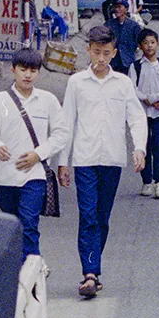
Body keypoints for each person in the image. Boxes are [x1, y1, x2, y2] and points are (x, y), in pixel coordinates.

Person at [57, 25, 147, 299]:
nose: (101, 58)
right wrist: (63, 161)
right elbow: (67, 123)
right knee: (88, 215)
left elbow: (136, 116)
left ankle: (94, 268)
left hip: (112, 158)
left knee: (102, 217)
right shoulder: (76, 83)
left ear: (114, 53)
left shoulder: (122, 83)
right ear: (88, 51)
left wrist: (139, 148)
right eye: (96, 52)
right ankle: (90, 273)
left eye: (106, 53)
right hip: (84, 159)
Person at [0, 48, 71, 258]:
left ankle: (32, 270)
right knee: (12, 226)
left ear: (38, 72)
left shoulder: (47, 100)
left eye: (33, 70)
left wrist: (38, 154)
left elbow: (61, 132)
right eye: (23, 70)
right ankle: (14, 271)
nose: (28, 75)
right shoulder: (0, 100)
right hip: (5, 176)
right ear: (13, 70)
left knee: (29, 223)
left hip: (34, 175)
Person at [129, 28, 159, 199]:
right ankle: (146, 181)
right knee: (145, 145)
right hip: (142, 112)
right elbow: (132, 88)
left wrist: (158, 100)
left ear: (158, 44)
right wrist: (147, 100)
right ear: (140, 47)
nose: (149, 46)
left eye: (152, 42)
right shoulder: (135, 67)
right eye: (145, 43)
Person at [105, 0, 144, 74]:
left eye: (119, 7)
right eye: (115, 7)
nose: (117, 9)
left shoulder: (134, 26)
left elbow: (138, 41)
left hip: (127, 60)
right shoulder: (109, 24)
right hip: (113, 61)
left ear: (126, 10)